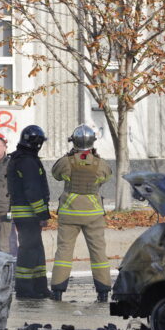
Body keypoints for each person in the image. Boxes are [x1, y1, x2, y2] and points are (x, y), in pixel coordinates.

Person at [49, 125, 113, 302]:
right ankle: (103, 291)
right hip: (93, 214)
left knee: (64, 252)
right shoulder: (100, 163)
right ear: (93, 142)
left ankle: (58, 291)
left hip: (69, 213)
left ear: (74, 141)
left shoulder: (66, 162)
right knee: (98, 252)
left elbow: (55, 174)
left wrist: (69, 156)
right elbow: (107, 176)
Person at [7, 125, 52, 299]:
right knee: (28, 250)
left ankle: (39, 286)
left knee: (36, 249)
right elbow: (32, 190)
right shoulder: (26, 161)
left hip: (26, 212)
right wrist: (42, 214)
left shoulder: (25, 158)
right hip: (28, 213)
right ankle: (25, 289)